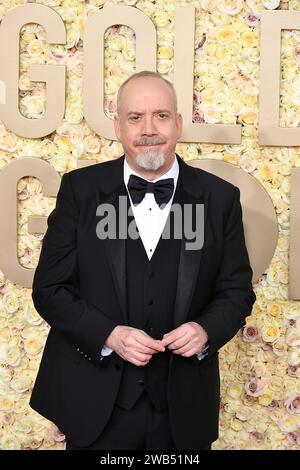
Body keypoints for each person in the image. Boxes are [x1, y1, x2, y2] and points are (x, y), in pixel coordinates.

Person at [29, 70, 256, 450]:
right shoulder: (81, 191)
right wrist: (109, 335)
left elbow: (235, 291)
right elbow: (50, 289)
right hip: (95, 402)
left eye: (161, 115)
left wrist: (205, 331)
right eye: (136, 117)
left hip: (183, 406)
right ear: (119, 126)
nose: (149, 128)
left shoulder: (220, 198)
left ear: (179, 123)